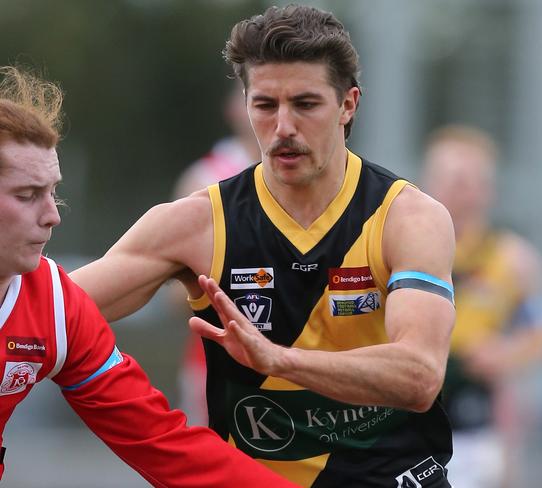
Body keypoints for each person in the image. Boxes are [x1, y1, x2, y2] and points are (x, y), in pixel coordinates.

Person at [71, 5, 456, 487]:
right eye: (266, 106)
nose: (284, 127)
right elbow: (48, 314)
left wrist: (278, 360)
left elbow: (420, 377)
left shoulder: (408, 217)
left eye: (306, 104)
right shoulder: (196, 223)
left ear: (348, 105)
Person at [0, 65, 297, 487]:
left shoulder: (53, 304)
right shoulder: (209, 181)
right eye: (27, 195)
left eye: (53, 192)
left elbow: (165, 445)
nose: (52, 217)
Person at [421, 125, 542, 488]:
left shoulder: (514, 260)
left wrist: (504, 354)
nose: (458, 191)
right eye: (449, 178)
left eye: (469, 180)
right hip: (409, 414)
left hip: (477, 422)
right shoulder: (401, 252)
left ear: (488, 189)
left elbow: (541, 334)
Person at [172, 81, 260, 426]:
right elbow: (176, 292)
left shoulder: (320, 177)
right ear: (232, 109)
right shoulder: (204, 179)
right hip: (217, 363)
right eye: (254, 98)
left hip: (300, 359)